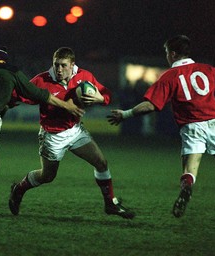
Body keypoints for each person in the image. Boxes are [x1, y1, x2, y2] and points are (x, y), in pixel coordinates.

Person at [107, 35, 215, 230]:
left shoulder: (170, 76)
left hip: (192, 126)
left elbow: (151, 105)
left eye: (166, 53)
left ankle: (187, 186)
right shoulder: (208, 69)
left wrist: (126, 114)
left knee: (190, 170)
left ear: (172, 54)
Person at [0, 45, 84, 220]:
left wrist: (5, 103)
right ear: (5, 60)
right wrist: (66, 105)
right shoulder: (10, 71)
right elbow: (37, 93)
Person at [8, 47, 134, 219]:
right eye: (56, 65)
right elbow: (17, 95)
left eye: (63, 66)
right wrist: (3, 103)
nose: (59, 70)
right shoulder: (42, 80)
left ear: (72, 65)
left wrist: (100, 98)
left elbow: (106, 94)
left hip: (75, 131)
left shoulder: (84, 77)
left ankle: (110, 204)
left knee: (101, 163)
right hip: (52, 136)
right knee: (47, 176)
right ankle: (19, 188)